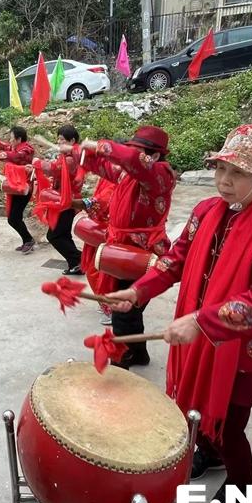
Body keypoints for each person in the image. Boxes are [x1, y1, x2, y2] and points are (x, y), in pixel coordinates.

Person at [107, 125, 252, 503]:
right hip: (201, 334)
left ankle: (241, 485)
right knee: (196, 406)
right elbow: (175, 259)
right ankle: (210, 454)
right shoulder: (205, 212)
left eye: (239, 174)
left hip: (244, 350)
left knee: (231, 424)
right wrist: (139, 291)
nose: (225, 182)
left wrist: (201, 321)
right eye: (221, 170)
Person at [79, 126, 176, 368]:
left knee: (123, 310)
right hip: (122, 248)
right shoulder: (129, 174)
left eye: (138, 150)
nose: (131, 154)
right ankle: (140, 354)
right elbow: (104, 167)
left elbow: (131, 159)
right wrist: (75, 151)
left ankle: (121, 363)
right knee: (131, 309)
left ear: (154, 156)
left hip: (140, 252)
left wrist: (100, 144)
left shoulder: (160, 174)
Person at [33, 125, 85, 274]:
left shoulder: (70, 158)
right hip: (65, 199)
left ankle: (79, 259)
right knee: (63, 234)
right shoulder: (71, 155)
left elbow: (55, 169)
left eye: (62, 139)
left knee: (54, 236)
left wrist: (38, 163)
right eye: (58, 139)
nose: (59, 142)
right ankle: (76, 264)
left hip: (66, 201)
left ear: (72, 140)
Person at [73, 175, 117, 325]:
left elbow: (104, 199)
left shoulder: (118, 173)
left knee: (97, 271)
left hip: (110, 231)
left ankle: (111, 308)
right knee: (97, 270)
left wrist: (74, 203)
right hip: (101, 226)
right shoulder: (108, 172)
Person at [0, 126, 35, 253]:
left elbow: (14, 156)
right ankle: (27, 240)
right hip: (15, 186)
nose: (10, 140)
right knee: (14, 217)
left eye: (12, 138)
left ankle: (29, 240)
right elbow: (6, 147)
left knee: (13, 218)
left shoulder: (26, 150)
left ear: (19, 139)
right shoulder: (16, 147)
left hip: (24, 187)